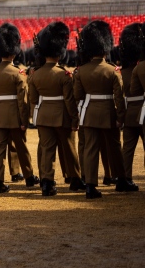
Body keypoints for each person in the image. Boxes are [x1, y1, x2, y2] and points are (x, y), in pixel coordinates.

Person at [74, 20, 134, 198]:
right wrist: (120, 117)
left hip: (89, 113)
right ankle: (121, 180)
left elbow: (78, 96)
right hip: (109, 113)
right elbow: (119, 97)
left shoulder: (80, 71)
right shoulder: (112, 71)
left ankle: (90, 185)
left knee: (91, 149)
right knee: (114, 147)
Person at [27, 22, 83, 195]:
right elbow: (69, 100)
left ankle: (47, 182)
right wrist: (75, 118)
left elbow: (33, 100)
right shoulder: (64, 75)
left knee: (47, 149)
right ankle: (74, 179)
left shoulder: (35, 75)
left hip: (43, 115)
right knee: (68, 147)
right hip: (62, 116)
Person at [0, 23, 38, 194]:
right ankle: (29, 177)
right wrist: (24, 121)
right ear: (14, 50)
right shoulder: (18, 74)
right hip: (15, 116)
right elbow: (22, 101)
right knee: (21, 147)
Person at [118, 23, 144, 184]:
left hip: (128, 113)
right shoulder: (140, 69)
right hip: (143, 111)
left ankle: (125, 177)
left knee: (127, 149)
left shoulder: (121, 73)